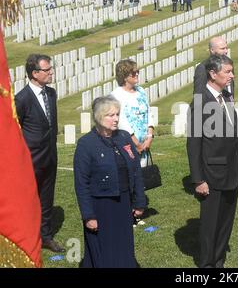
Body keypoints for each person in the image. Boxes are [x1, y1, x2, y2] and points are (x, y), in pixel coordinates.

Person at [74, 96, 147, 267]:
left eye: (117, 114)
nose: (116, 119)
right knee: (104, 250)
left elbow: (136, 171)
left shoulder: (124, 137)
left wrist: (139, 201)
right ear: (99, 117)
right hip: (101, 206)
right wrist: (88, 215)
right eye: (110, 115)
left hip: (123, 203)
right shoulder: (86, 144)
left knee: (123, 247)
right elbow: (81, 183)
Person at [187, 54, 238, 268]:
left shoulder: (225, 97)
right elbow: (193, 144)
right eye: (227, 71)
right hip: (211, 175)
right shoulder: (201, 102)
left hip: (231, 172)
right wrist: (198, 179)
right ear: (212, 73)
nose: (232, 75)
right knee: (211, 224)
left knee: (225, 222)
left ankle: (218, 261)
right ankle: (207, 264)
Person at [15, 54, 64, 253]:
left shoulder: (51, 94)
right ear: (34, 74)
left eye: (50, 68)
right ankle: (26, 238)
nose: (51, 72)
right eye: (47, 69)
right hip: (31, 159)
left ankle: (45, 236)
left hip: (50, 156)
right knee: (27, 200)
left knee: (46, 198)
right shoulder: (22, 99)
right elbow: (15, 131)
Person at [111, 60, 154, 167]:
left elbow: (148, 113)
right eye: (134, 73)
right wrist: (137, 144)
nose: (137, 74)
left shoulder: (141, 91)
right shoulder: (116, 95)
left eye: (137, 71)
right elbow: (122, 122)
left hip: (144, 143)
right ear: (125, 77)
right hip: (127, 144)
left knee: (144, 178)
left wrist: (149, 137)